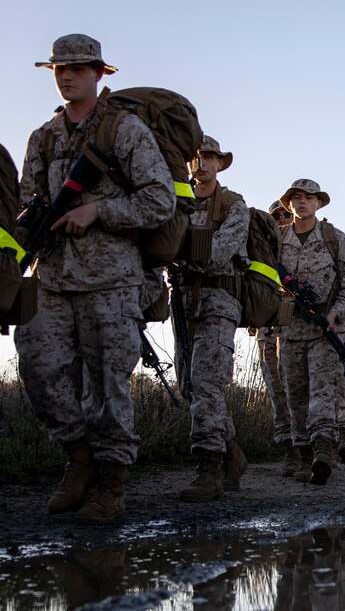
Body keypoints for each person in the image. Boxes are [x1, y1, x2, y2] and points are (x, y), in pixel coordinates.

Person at [16, 34, 175, 523]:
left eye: (78, 69)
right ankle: (79, 459)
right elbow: (27, 203)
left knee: (108, 384)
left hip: (111, 277)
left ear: (100, 74)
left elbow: (160, 199)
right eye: (59, 69)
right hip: (55, 273)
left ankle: (112, 484)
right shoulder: (43, 137)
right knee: (39, 367)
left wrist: (99, 210)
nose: (67, 76)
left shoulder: (123, 130)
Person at [175, 136, 250, 502]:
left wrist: (177, 254)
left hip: (220, 297)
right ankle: (232, 453)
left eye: (208, 157)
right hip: (184, 299)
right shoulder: (177, 201)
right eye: (195, 157)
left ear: (220, 163)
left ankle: (209, 469)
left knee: (206, 378)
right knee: (191, 383)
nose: (200, 163)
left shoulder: (234, 205)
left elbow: (218, 255)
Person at [277, 178, 345, 486]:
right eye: (296, 198)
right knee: (295, 395)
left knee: (323, 393)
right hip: (288, 331)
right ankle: (302, 454)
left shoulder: (335, 239)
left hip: (325, 331)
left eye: (308, 197)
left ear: (319, 203)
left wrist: (335, 313)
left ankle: (323, 450)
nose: (302, 202)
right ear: (289, 204)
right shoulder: (277, 241)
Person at [259, 201, 297, 475]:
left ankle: (307, 445)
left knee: (296, 387)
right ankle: (289, 450)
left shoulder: (302, 247)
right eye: (276, 215)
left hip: (296, 326)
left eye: (286, 214)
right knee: (275, 389)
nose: (282, 218)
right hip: (266, 327)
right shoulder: (261, 246)